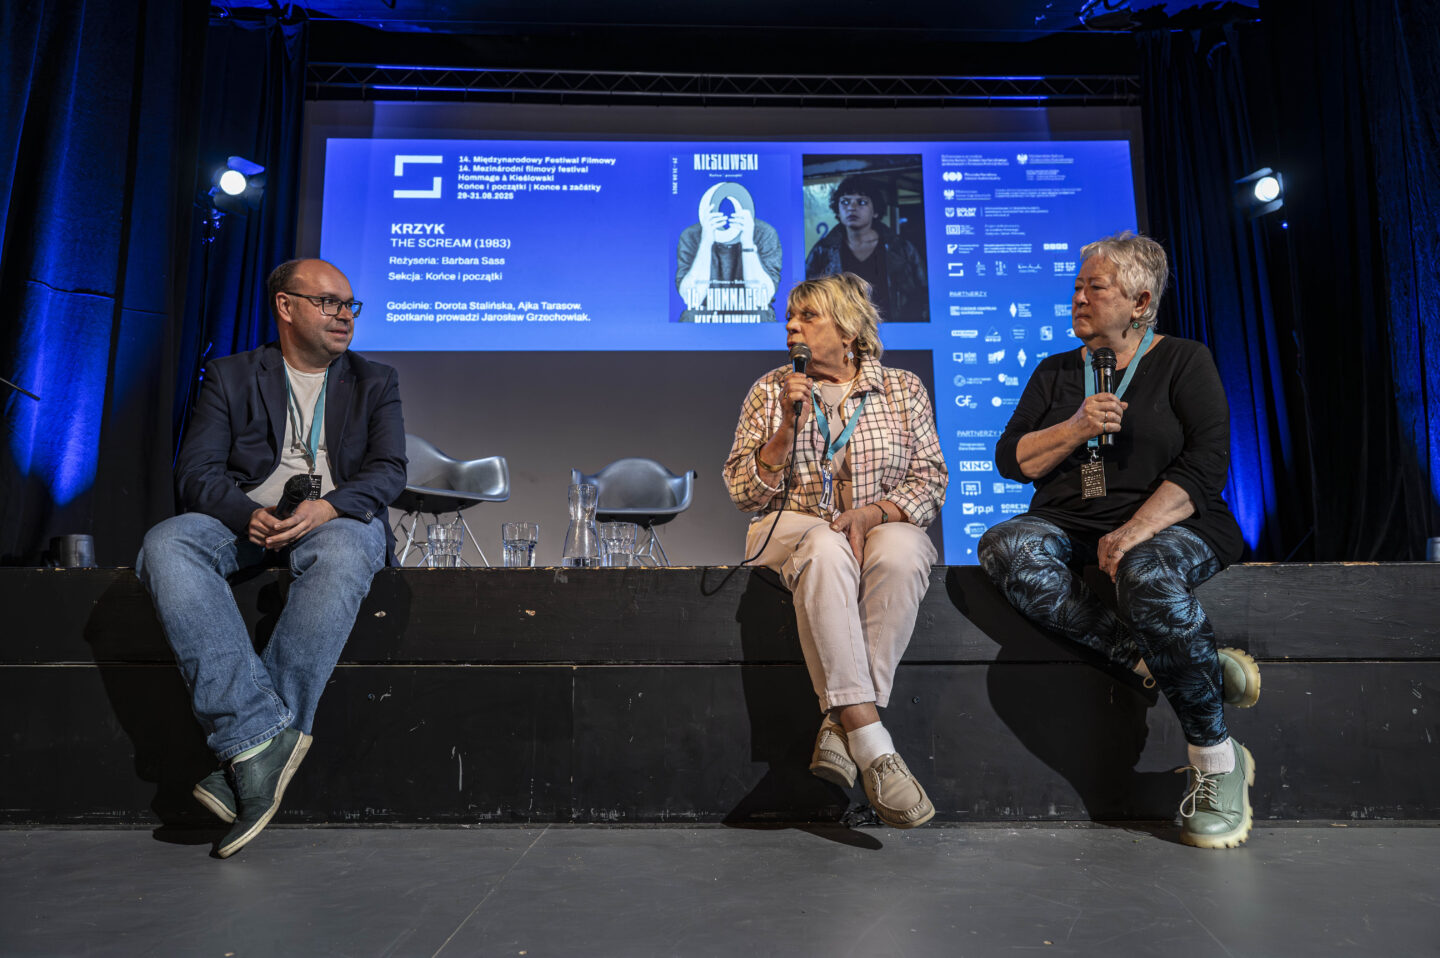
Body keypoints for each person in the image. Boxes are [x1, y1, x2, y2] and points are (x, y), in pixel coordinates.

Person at [977, 232, 1260, 849]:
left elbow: (1207, 463)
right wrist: (1076, 427)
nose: (1078, 298)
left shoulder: (1184, 360)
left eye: (1094, 287)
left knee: (1146, 571)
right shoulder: (1055, 371)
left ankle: (1218, 762)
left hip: (1173, 522)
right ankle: (1167, 660)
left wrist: (1135, 529)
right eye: (1076, 287)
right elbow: (1012, 460)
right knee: (1004, 545)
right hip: (1073, 522)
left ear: (1140, 301)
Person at [136, 258, 406, 858]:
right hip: (251, 518)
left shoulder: (375, 380)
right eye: (329, 302)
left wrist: (330, 507)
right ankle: (261, 735)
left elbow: (389, 471)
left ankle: (248, 747)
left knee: (345, 551)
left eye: (350, 305)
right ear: (286, 306)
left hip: (336, 519)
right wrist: (244, 515)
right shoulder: (230, 375)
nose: (344, 315)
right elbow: (196, 472)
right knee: (166, 543)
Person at [723, 272, 948, 828]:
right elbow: (743, 493)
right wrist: (784, 430)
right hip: (790, 526)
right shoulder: (771, 389)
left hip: (873, 522)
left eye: (807, 316)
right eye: (789, 317)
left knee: (903, 552)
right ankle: (872, 743)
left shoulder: (902, 389)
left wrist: (872, 514)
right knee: (825, 546)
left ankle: (840, 723)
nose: (791, 327)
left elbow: (930, 480)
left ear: (848, 331)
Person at [804, 174, 927, 323]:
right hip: (842, 330)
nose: (851, 208)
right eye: (845, 202)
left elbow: (923, 294)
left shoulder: (901, 248)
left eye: (861, 202)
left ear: (876, 211)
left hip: (893, 329)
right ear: (837, 210)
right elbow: (807, 296)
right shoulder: (823, 250)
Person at [676, 181, 782, 322]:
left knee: (761, 314)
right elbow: (691, 299)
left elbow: (761, 298)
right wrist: (706, 242)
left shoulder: (765, 233)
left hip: (750, 311)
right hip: (707, 312)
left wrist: (747, 242)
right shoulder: (690, 235)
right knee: (691, 316)